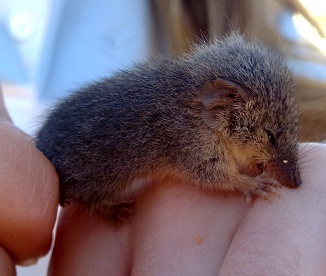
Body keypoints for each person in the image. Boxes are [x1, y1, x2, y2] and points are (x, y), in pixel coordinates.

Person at [1, 87, 326, 275]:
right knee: (102, 178)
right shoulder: (189, 130)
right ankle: (97, 204)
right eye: (269, 137)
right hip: (80, 172)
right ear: (222, 109)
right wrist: (247, 184)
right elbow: (205, 171)